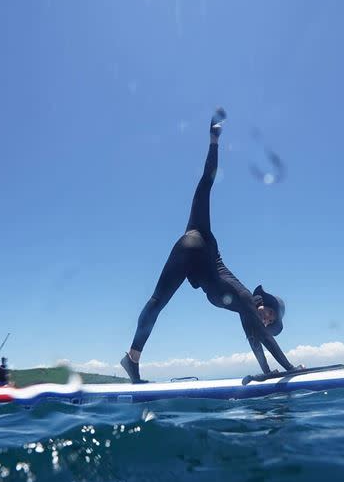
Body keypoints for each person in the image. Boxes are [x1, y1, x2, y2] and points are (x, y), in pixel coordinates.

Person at [120, 108, 302, 383]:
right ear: (264, 302)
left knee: (157, 302)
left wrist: (266, 373)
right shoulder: (244, 297)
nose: (266, 320)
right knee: (205, 186)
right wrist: (288, 370)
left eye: (269, 321)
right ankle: (132, 359)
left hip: (189, 244)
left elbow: (254, 337)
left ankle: (132, 359)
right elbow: (207, 180)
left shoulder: (246, 308)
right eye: (269, 314)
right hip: (199, 244)